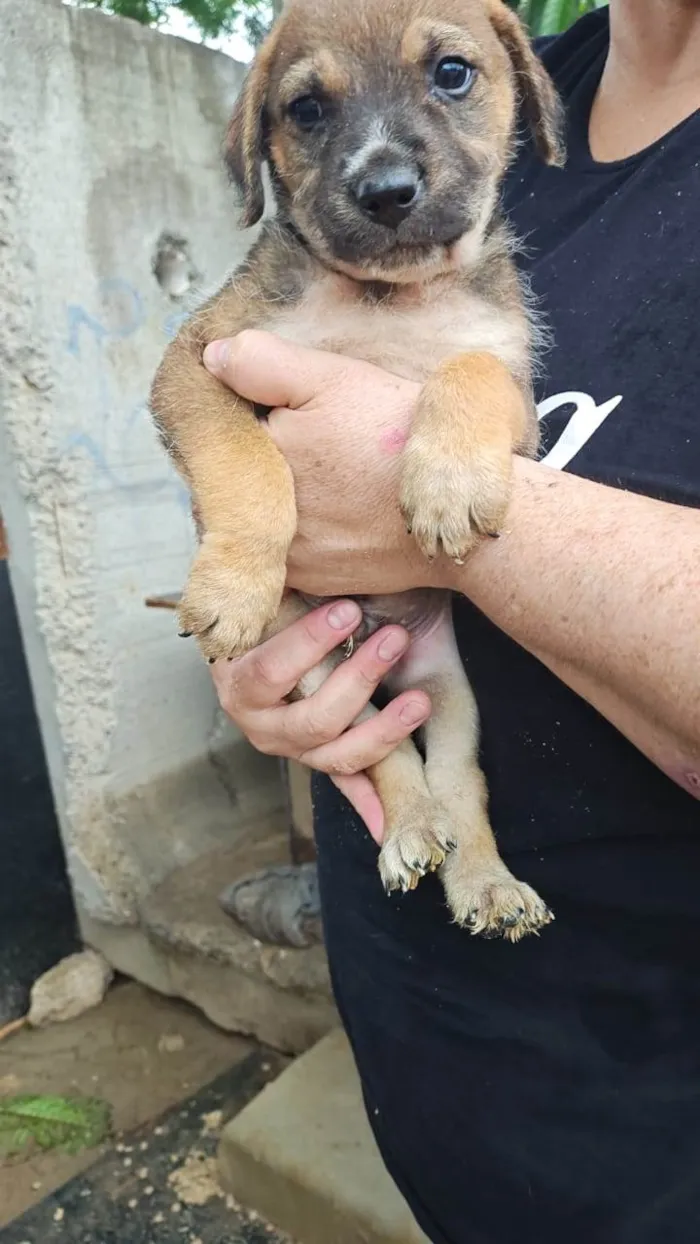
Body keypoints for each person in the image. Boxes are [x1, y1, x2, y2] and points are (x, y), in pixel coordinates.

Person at [202, 3, 700, 1240]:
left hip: (651, 1122)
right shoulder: (547, 72)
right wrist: (266, 605)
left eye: (450, 79)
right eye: (310, 111)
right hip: (438, 1061)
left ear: (492, 76)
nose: (385, 157)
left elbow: (455, 437)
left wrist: (480, 532)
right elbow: (223, 405)